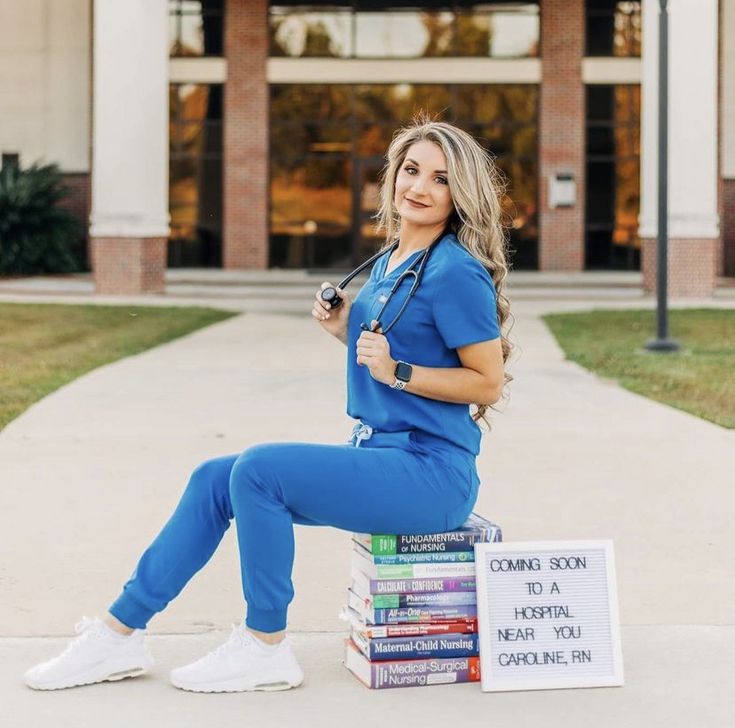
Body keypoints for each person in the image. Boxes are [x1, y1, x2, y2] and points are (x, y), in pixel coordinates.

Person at [23, 116, 513, 693]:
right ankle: (118, 634)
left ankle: (265, 645)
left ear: (462, 195)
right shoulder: (388, 262)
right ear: (393, 176)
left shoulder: (456, 272)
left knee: (260, 471)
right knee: (214, 478)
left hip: (431, 474)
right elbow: (387, 344)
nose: (420, 188)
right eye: (411, 170)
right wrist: (343, 330)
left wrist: (397, 371)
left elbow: (488, 383)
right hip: (383, 454)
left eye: (441, 179)